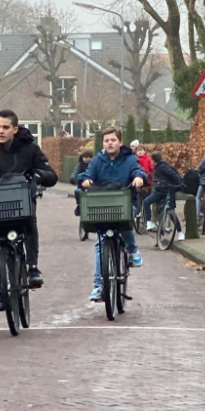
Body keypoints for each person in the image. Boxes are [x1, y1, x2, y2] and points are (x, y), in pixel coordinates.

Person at [0, 110, 58, 311]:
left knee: (29, 224)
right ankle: (0, 290)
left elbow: (50, 175)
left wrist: (36, 176)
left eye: (6, 127)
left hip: (21, 202)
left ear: (15, 129)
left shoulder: (30, 149)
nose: (0, 131)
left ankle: (32, 267)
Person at [79, 127, 147, 303]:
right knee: (100, 243)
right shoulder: (97, 161)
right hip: (102, 206)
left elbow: (138, 171)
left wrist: (139, 178)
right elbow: (85, 175)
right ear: (103, 143)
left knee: (125, 222)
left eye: (113, 140)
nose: (109, 143)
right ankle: (99, 286)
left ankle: (132, 249)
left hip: (125, 202)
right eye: (106, 140)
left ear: (120, 142)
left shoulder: (130, 159)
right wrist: (85, 181)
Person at [142, 151, 185, 230]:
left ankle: (180, 232)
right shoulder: (158, 167)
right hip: (159, 191)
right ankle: (149, 223)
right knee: (146, 202)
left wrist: (180, 184)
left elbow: (173, 174)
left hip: (167, 192)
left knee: (171, 212)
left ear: (154, 161)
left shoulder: (162, 167)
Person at [71, 148, 94, 237]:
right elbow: (75, 172)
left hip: (92, 187)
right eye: (84, 157)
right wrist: (73, 179)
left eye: (88, 157)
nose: (86, 159)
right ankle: (79, 204)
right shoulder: (79, 165)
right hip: (81, 186)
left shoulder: (94, 165)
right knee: (77, 191)